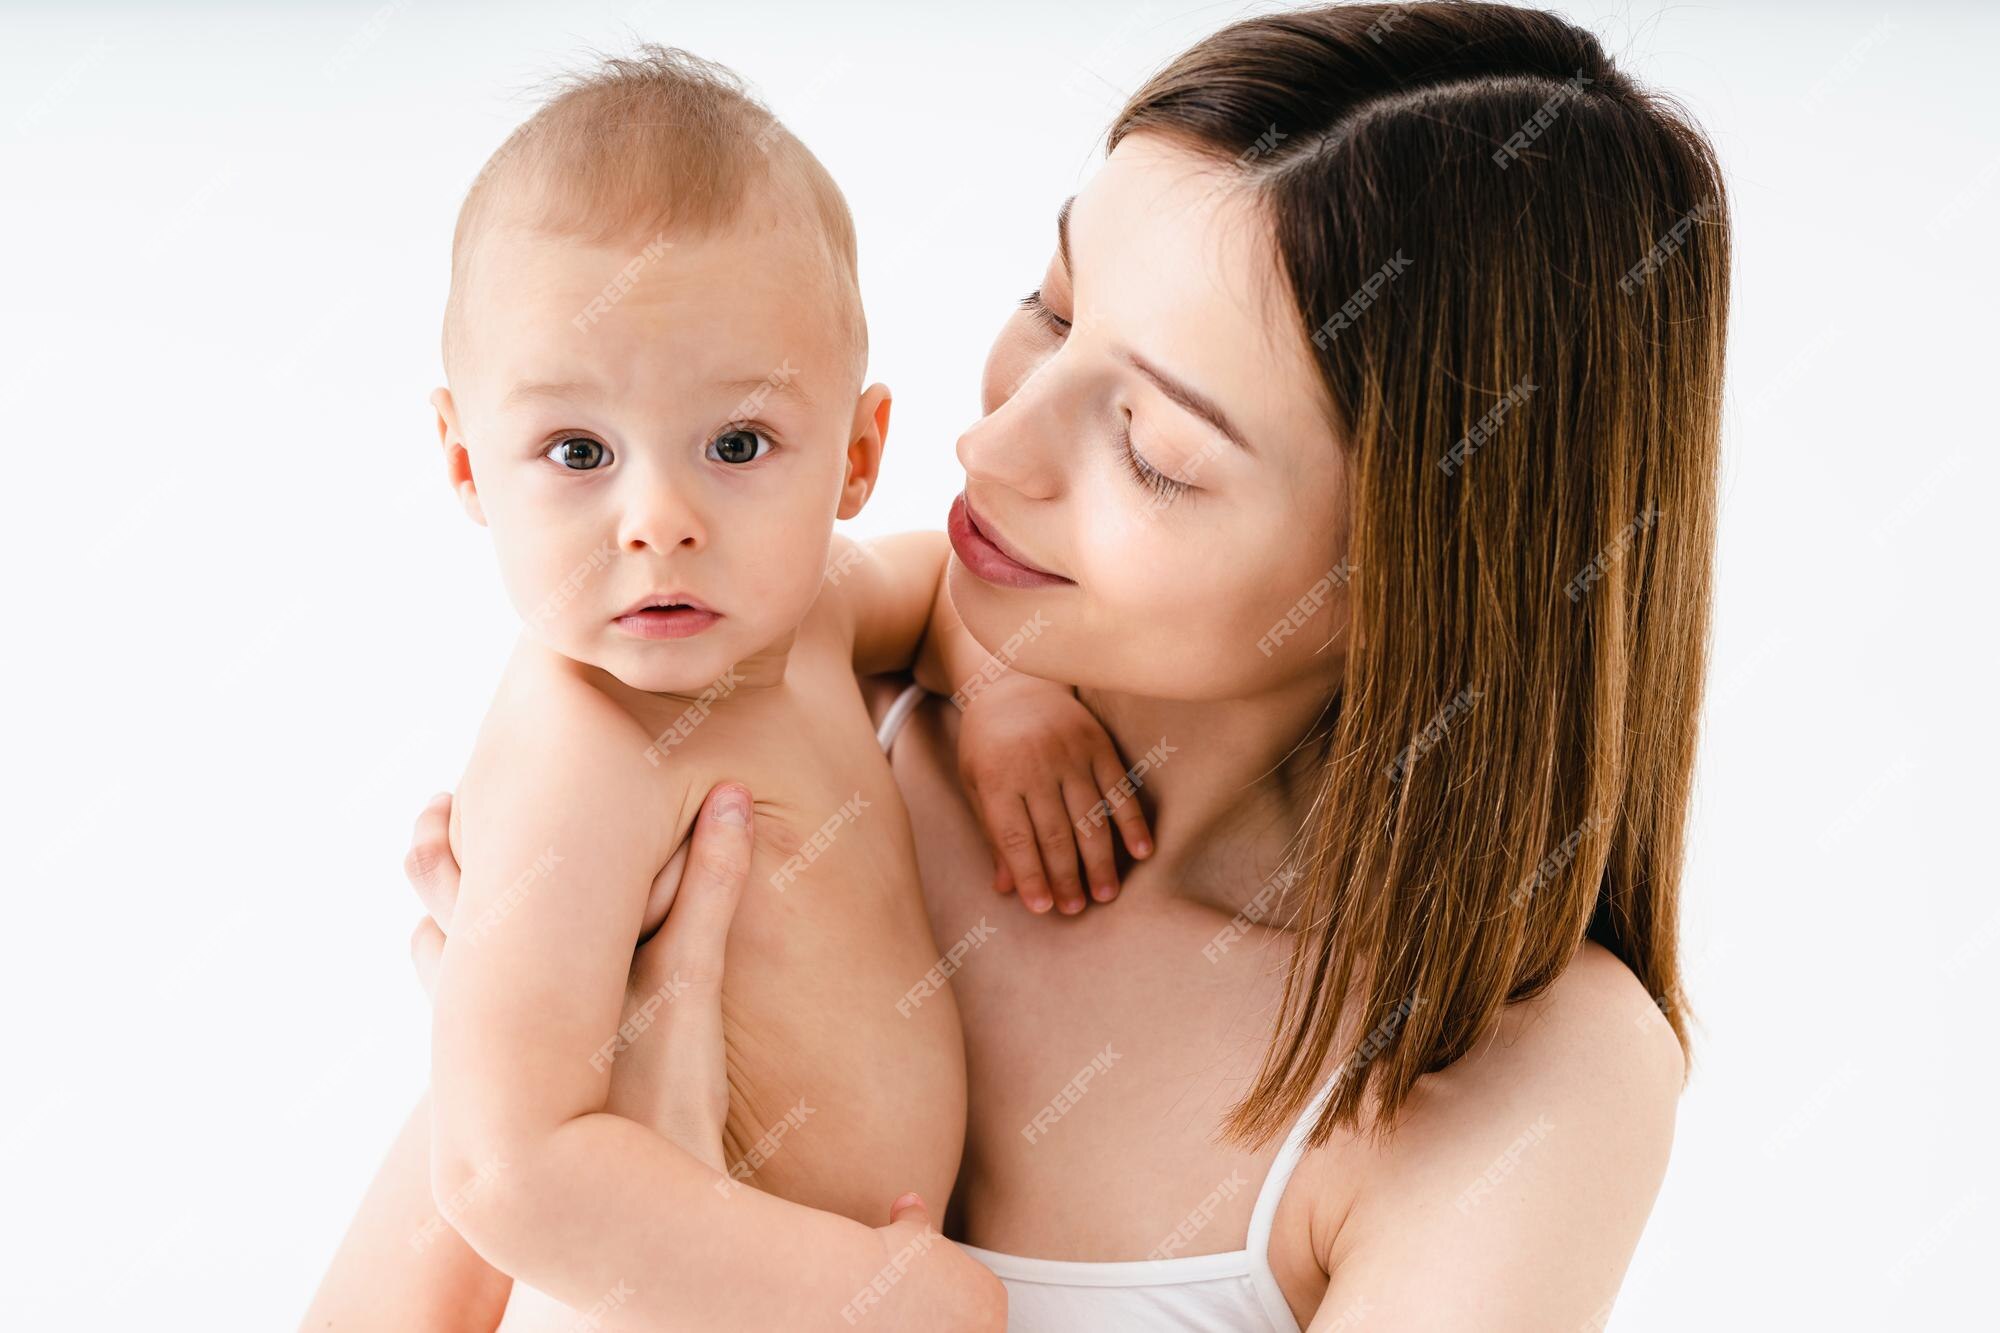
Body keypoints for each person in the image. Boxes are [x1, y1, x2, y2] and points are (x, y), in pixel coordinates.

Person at [325, 2, 1728, 1327]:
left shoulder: (1512, 1075)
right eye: (1050, 308)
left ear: (1423, 568)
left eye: (1153, 450)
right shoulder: (746, 720)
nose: (991, 449)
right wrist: (992, 682)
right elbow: (458, 1231)